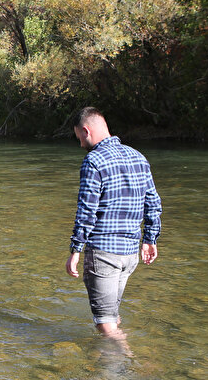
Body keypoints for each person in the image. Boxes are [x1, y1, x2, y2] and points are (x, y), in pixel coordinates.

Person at [65, 107, 162, 341]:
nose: (80, 144)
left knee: (105, 324)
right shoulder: (138, 156)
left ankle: (126, 367)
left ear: (86, 130)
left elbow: (86, 210)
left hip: (104, 254)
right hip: (129, 255)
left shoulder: (94, 161)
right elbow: (154, 202)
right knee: (112, 314)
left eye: (79, 138)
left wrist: (75, 250)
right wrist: (149, 239)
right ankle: (107, 369)